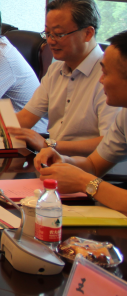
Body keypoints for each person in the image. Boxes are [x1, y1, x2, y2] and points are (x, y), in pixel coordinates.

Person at [8, 0, 120, 156]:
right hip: (52, 160)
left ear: (88, 33)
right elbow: (25, 118)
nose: (50, 41)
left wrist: (50, 145)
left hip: (90, 167)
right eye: (47, 33)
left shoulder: (111, 77)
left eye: (59, 34)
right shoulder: (55, 70)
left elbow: (110, 141)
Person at [35, 31, 126, 215]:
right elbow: (94, 165)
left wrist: (85, 182)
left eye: (106, 73)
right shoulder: (124, 114)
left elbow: (89, 177)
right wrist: (64, 162)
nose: (101, 80)